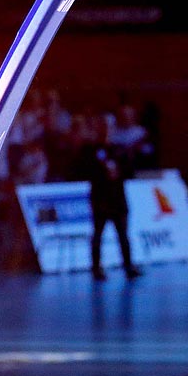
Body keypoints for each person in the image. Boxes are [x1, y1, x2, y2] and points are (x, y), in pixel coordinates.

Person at [72, 117, 142, 283]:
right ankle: (96, 268)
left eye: (109, 128)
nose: (106, 131)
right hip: (100, 199)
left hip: (117, 199)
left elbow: (129, 171)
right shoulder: (90, 150)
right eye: (103, 128)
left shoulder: (119, 150)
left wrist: (118, 171)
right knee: (98, 235)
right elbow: (83, 171)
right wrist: (102, 172)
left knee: (123, 235)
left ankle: (128, 266)